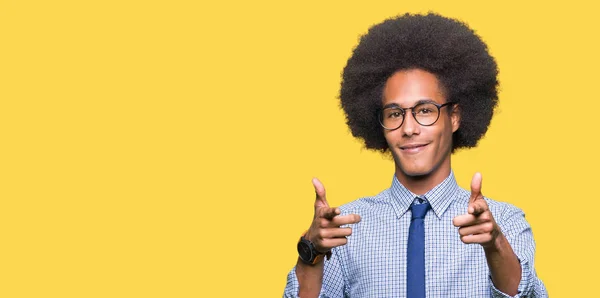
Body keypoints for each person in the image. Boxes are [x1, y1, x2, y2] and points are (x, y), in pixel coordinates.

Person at [283, 12, 547, 298]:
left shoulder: (505, 222)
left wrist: (494, 244)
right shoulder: (345, 230)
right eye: (395, 114)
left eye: (425, 111)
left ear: (455, 117)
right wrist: (311, 253)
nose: (408, 128)